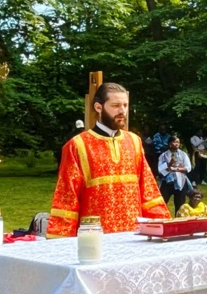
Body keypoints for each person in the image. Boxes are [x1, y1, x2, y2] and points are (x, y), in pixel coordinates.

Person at [50, 83, 170, 235]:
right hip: (95, 238)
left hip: (133, 236)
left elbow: (148, 190)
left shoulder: (134, 141)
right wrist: (60, 243)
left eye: (125, 105)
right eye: (116, 105)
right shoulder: (77, 145)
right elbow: (67, 198)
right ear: (99, 107)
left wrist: (162, 228)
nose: (122, 111)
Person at [157, 135, 192, 214]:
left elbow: (188, 168)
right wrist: (169, 164)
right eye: (175, 142)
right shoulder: (163, 155)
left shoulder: (183, 154)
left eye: (178, 142)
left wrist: (176, 169)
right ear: (170, 144)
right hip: (167, 182)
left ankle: (178, 222)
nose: (177, 144)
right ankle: (161, 218)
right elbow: (160, 170)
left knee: (180, 204)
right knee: (162, 202)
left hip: (180, 182)